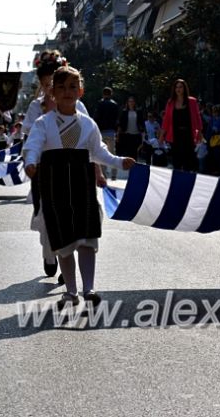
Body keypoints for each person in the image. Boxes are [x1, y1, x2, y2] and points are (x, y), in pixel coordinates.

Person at [23, 66, 136, 308]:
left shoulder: (88, 124)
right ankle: (71, 292)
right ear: (52, 92)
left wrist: (119, 162)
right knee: (63, 242)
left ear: (80, 91)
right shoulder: (43, 123)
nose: (67, 92)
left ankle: (89, 288)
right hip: (54, 185)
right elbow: (33, 145)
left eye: (72, 87)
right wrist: (31, 161)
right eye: (61, 87)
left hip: (82, 184)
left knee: (86, 239)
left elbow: (98, 152)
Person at [160, 79, 202, 172]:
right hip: (175, 135)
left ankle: (187, 182)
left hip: (188, 135)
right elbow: (166, 120)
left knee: (188, 161)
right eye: (177, 87)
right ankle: (177, 182)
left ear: (184, 88)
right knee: (177, 162)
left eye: (180, 87)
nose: (178, 89)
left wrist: (199, 133)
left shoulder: (192, 101)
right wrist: (162, 135)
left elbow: (197, 118)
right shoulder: (170, 102)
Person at [93, 87, 120, 180]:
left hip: (101, 131)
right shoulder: (114, 104)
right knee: (112, 153)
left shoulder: (100, 104)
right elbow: (117, 119)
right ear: (111, 94)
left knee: (102, 153)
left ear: (103, 94)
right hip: (111, 131)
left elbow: (96, 117)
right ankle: (114, 174)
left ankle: (104, 173)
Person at [116, 96, 145, 160]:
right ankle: (127, 168)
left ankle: (134, 167)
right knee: (127, 153)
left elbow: (142, 124)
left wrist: (143, 135)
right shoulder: (124, 112)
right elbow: (120, 125)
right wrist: (117, 135)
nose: (131, 103)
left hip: (136, 135)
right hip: (126, 135)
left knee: (134, 153)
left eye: (132, 101)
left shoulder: (139, 112)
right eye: (129, 101)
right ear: (127, 103)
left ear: (134, 103)